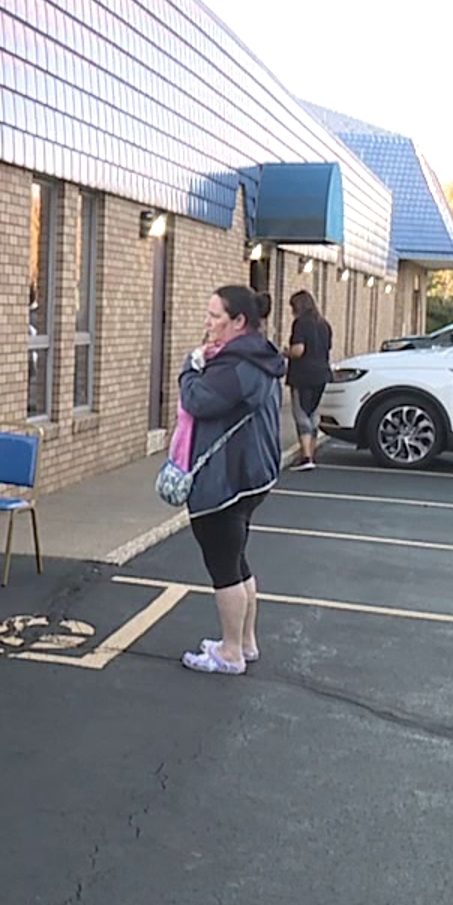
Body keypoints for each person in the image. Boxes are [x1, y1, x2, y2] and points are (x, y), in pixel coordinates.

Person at [180, 285, 286, 675]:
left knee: (224, 565)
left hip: (227, 481)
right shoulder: (260, 357)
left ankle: (230, 653)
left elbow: (198, 400)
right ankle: (245, 642)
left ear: (238, 321)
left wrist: (190, 367)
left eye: (215, 316)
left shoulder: (236, 366)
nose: (207, 323)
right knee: (238, 561)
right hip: (253, 475)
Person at [285, 289, 333, 471]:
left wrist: (285, 352)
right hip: (321, 374)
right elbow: (326, 349)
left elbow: (298, 350)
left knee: (301, 414)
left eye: (292, 307)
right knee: (312, 412)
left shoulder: (300, 323)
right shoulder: (324, 324)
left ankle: (306, 457)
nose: (291, 312)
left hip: (303, 374)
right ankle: (311, 453)